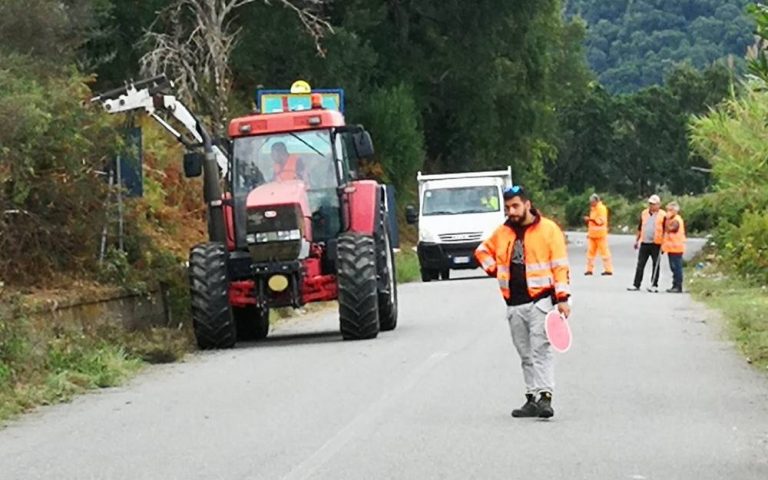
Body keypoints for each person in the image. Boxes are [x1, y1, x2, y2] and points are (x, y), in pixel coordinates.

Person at [475, 185, 571, 419]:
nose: (512, 211)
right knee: (525, 353)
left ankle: (545, 397)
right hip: (514, 303)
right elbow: (481, 251)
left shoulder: (549, 230)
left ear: (528, 204)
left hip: (540, 301)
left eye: (516, 206)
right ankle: (531, 397)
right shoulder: (503, 232)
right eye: (508, 207)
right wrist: (494, 270)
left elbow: (560, 265)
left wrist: (563, 298)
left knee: (541, 350)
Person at [628, 194, 666, 293]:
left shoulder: (663, 215)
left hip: (656, 243)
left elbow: (666, 231)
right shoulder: (644, 213)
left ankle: (654, 285)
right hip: (645, 242)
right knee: (640, 264)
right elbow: (640, 228)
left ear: (659, 204)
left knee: (656, 265)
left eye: (653, 204)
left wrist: (664, 245)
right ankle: (636, 284)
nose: (651, 206)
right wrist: (636, 241)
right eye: (650, 204)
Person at [583, 193, 613, 276]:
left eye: (592, 202)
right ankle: (589, 270)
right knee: (590, 254)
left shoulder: (601, 209)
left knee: (604, 253)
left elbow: (600, 221)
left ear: (596, 201)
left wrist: (590, 219)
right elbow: (592, 224)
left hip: (600, 235)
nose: (591, 203)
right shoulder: (593, 209)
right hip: (592, 235)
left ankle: (608, 270)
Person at [662, 201, 686, 293]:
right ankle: (674, 285)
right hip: (671, 248)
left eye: (670, 210)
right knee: (673, 267)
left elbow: (670, 229)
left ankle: (678, 286)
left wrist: (667, 220)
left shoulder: (676, 220)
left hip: (677, 247)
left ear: (675, 211)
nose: (668, 212)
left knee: (676, 268)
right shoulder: (672, 219)